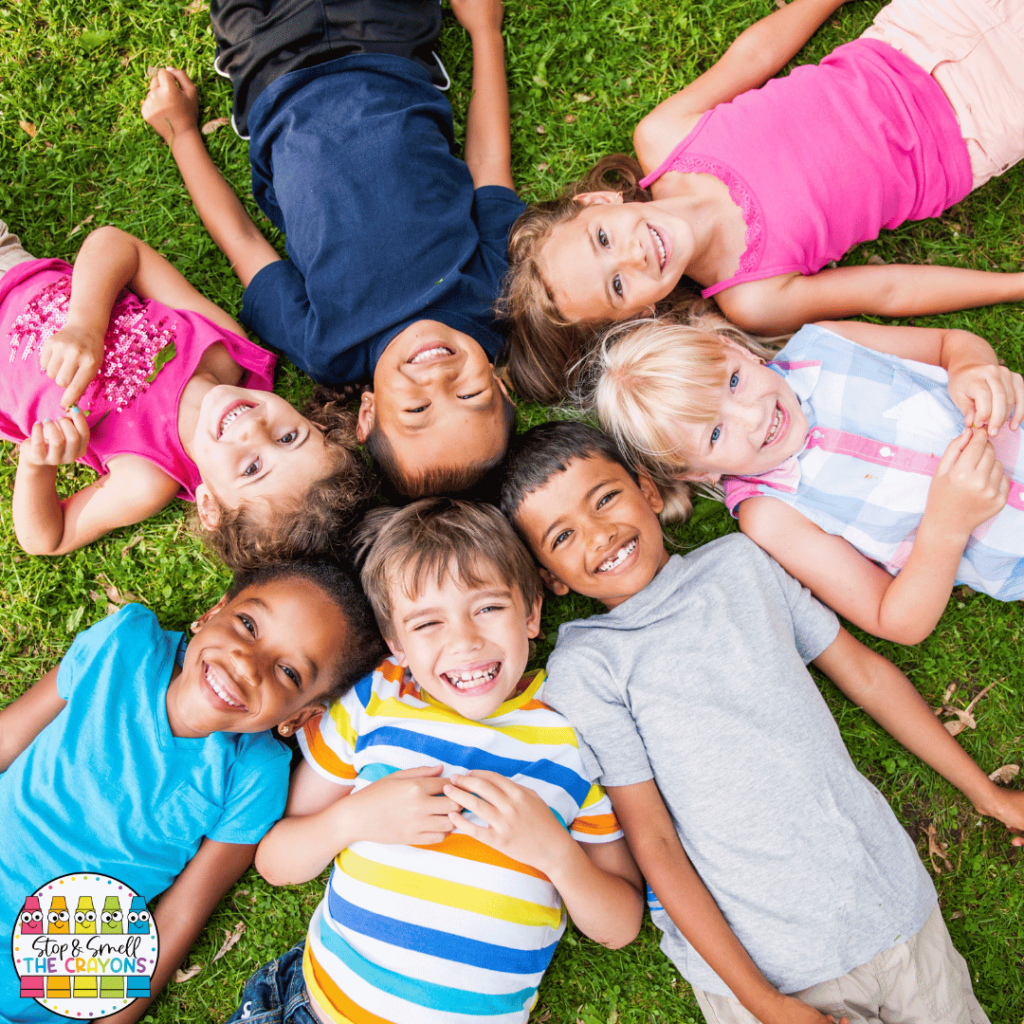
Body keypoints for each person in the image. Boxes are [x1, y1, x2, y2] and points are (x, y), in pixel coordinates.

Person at [498, 421, 1024, 1024]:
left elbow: (867, 676)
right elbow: (655, 842)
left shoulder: (741, 564)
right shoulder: (588, 665)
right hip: (768, 972)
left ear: (647, 490)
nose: (599, 532)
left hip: (894, 914)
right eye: (563, 535)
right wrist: (764, 1002)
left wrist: (987, 794)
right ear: (551, 578)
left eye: (605, 497)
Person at [500, 0, 1024, 403]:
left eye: (602, 238)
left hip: (911, 35)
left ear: (598, 200)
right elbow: (888, 288)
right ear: (644, 312)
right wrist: (1012, 286)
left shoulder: (663, 138)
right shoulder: (753, 298)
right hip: (972, 130)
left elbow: (755, 56)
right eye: (618, 285)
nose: (631, 256)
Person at [242, 498, 644, 1024]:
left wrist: (556, 854)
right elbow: (275, 861)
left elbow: (620, 925)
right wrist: (354, 819)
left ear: (531, 614)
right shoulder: (377, 701)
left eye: (488, 608)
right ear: (396, 645)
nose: (465, 641)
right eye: (427, 623)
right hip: (317, 1009)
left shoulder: (570, 732)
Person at [141, 0, 521, 498]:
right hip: (386, 40)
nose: (439, 379)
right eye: (470, 394)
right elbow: (490, 166)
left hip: (269, 70)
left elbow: (243, 242)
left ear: (369, 412)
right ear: (500, 386)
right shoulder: (495, 294)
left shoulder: (326, 348)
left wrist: (181, 134)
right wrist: (483, 31)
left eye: (417, 409)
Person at [0, 559, 387, 1024]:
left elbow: (184, 910)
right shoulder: (127, 643)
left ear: (301, 717)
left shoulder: (255, 772)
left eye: (288, 672)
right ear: (212, 612)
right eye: (247, 625)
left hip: (44, 972)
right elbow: (9, 737)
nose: (248, 662)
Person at [589, 314, 1024, 644]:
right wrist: (946, 528)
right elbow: (895, 619)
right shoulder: (771, 514)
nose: (754, 415)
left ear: (734, 349)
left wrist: (971, 368)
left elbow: (951, 344)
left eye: (734, 381)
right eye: (715, 434)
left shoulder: (825, 344)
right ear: (696, 472)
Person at [0, 221, 369, 563]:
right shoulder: (224, 349)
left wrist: (37, 465)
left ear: (209, 505)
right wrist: (84, 325)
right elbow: (117, 245)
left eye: (252, 467)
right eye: (289, 437)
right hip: (11, 268)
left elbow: (48, 538)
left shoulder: (145, 478)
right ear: (315, 423)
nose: (253, 430)